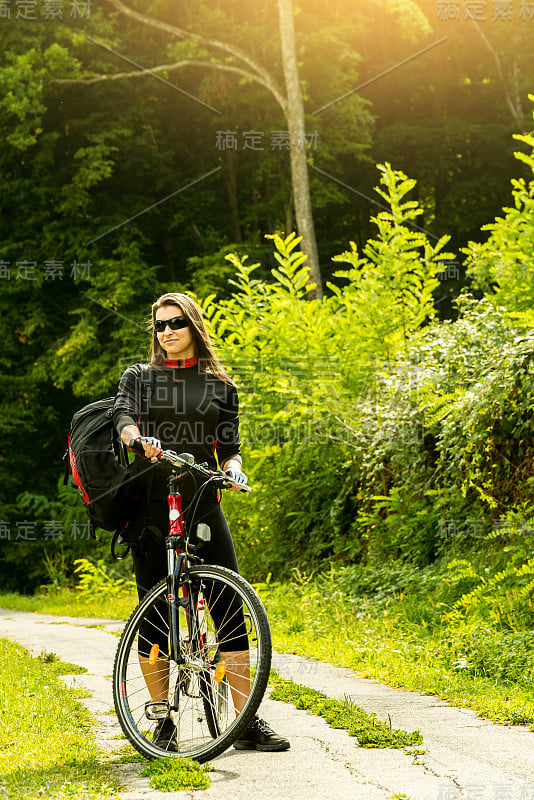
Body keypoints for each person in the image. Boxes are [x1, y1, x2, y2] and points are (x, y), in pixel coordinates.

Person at [112, 291, 289, 753]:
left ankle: (245, 720)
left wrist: (232, 467)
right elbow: (122, 418)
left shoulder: (220, 384)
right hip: (151, 503)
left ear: (193, 326)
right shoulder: (140, 376)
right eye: (159, 326)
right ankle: (162, 720)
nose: (166, 332)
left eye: (176, 323)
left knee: (230, 607)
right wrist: (137, 439)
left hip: (203, 499)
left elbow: (229, 445)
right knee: (154, 615)